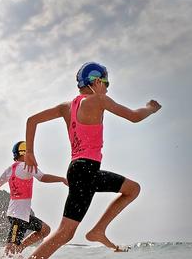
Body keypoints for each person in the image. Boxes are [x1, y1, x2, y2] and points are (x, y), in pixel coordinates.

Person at [24, 62, 162, 258]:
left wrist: (29, 152)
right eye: (107, 83)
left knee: (132, 189)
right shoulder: (99, 100)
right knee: (65, 232)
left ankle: (98, 231)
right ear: (97, 81)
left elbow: (32, 120)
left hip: (78, 170)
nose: (107, 88)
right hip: (86, 171)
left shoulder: (66, 107)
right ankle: (95, 232)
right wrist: (150, 108)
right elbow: (134, 116)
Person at [0, 141, 66, 256]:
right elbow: (42, 177)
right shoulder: (27, 166)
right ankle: (15, 250)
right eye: (30, 151)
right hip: (17, 216)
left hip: (21, 215)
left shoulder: (10, 169)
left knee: (45, 230)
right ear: (24, 152)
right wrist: (62, 179)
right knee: (10, 250)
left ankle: (21, 247)